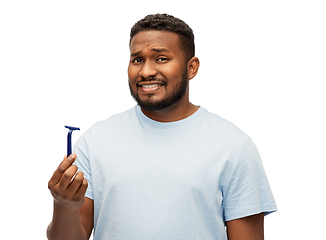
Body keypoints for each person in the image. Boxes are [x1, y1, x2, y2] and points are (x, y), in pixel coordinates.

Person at [47, 14, 277, 240]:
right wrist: (64, 205)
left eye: (161, 59)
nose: (146, 71)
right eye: (137, 60)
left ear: (192, 68)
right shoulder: (94, 142)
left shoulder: (233, 146)